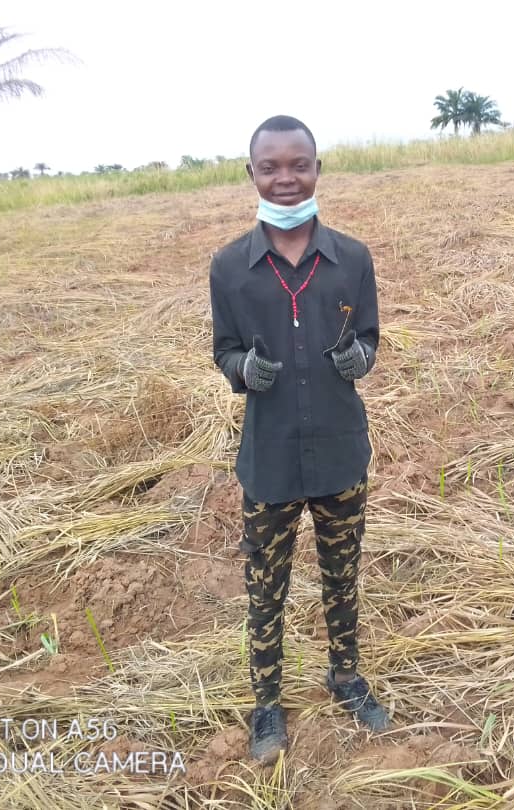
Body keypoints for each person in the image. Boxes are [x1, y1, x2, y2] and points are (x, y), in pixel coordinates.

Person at [208, 115, 390, 764]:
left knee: (343, 577)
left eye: (298, 164)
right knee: (266, 589)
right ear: (251, 174)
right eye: (271, 167)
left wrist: (359, 358)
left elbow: (369, 337)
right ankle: (267, 704)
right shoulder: (231, 268)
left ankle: (346, 677)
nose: (285, 178)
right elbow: (223, 349)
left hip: (340, 452)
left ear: (317, 169)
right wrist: (242, 370)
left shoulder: (352, 260)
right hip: (271, 461)